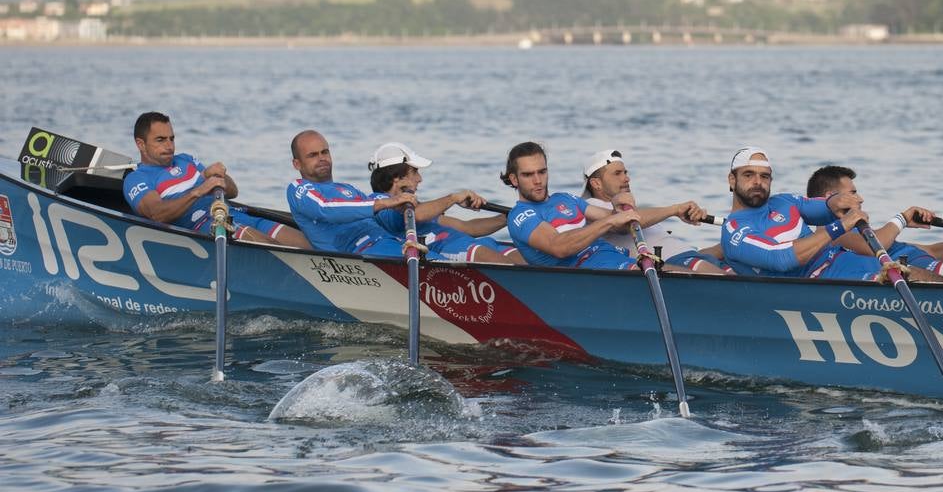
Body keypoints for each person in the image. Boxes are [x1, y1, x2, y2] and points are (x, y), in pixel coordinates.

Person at [719, 147, 943, 282]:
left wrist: (838, 201)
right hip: (820, 284)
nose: (758, 183)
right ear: (732, 180)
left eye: (764, 176)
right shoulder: (734, 232)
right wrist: (840, 225)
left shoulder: (783, 202)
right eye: (748, 175)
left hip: (843, 261)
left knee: (919, 275)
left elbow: (822, 206)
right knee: (913, 279)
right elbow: (781, 258)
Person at [287, 131, 518, 263]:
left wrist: (510, 217)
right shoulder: (299, 189)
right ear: (297, 164)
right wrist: (389, 202)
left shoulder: (350, 190)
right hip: (366, 256)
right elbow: (327, 208)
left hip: (396, 246)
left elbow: (464, 226)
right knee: (445, 266)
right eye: (313, 155)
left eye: (325, 152)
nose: (322, 158)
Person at [123, 111, 309, 247]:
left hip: (236, 213)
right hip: (210, 227)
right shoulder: (137, 179)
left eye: (172, 139)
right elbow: (157, 214)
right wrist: (199, 190)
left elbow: (233, 191)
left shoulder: (186, 160)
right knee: (276, 249)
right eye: (160, 140)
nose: (170, 146)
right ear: (141, 144)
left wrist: (219, 176)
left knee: (309, 246)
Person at [581, 148, 728, 274]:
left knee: (729, 251)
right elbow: (626, 221)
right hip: (670, 263)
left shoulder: (629, 209)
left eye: (625, 172)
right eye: (617, 173)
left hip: (690, 255)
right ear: (596, 183)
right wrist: (675, 210)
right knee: (727, 279)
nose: (627, 178)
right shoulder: (590, 207)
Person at [502, 141, 643, 270]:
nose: (538, 180)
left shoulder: (564, 198)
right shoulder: (520, 215)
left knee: (664, 268)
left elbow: (618, 220)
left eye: (542, 172)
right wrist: (610, 221)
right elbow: (559, 247)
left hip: (614, 256)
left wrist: (617, 207)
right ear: (514, 179)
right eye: (528, 175)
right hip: (592, 271)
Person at [804, 164, 943, 280]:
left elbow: (933, 251)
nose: (861, 199)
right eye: (853, 193)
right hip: (913, 273)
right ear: (831, 197)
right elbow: (873, 247)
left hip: (918, 264)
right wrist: (902, 219)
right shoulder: (829, 233)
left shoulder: (865, 235)